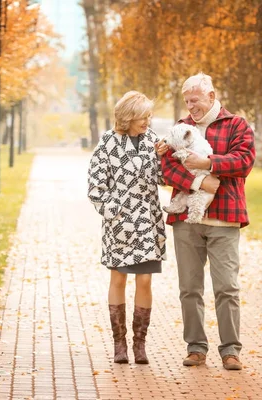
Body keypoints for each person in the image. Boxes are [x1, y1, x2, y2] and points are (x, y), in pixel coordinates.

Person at [158, 72, 256, 370]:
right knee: (190, 287)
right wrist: (200, 182)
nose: (191, 106)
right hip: (186, 219)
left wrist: (209, 164)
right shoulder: (181, 127)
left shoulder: (236, 124)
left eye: (196, 100)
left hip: (224, 219)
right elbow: (165, 169)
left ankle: (231, 351)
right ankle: (196, 348)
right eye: (187, 101)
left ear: (211, 96)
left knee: (227, 287)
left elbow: (244, 161)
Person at [87, 90, 167, 365]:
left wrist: (164, 158)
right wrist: (115, 212)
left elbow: (163, 179)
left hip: (147, 222)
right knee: (118, 279)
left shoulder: (154, 142)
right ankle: (119, 344)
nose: (147, 120)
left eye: (148, 116)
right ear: (128, 116)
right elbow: (96, 187)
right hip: (119, 225)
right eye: (142, 116)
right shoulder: (107, 143)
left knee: (145, 279)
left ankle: (139, 345)